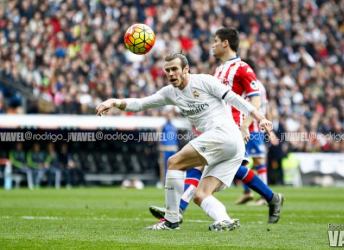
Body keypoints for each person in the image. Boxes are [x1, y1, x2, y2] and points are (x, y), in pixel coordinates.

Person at [96, 52, 273, 231]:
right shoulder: (170, 93)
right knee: (201, 194)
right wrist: (115, 101)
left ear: (186, 69)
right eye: (167, 70)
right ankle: (225, 220)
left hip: (224, 134)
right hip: (228, 144)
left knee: (174, 162)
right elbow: (141, 104)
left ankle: (171, 220)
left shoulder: (204, 81)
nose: (171, 74)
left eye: (174, 69)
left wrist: (260, 118)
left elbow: (235, 99)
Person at [149, 28, 284, 223]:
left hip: (233, 128)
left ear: (225, 43)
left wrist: (245, 125)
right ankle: (272, 197)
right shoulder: (218, 70)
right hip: (216, 127)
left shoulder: (243, 68)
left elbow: (256, 101)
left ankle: (177, 210)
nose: (211, 44)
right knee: (226, 167)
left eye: (215, 41)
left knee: (198, 164)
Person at [158, 110, 179, 186]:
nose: (170, 117)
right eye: (169, 115)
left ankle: (173, 181)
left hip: (173, 148)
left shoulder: (174, 127)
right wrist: (160, 146)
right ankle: (163, 181)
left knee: (174, 165)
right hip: (165, 148)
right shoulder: (163, 126)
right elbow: (159, 137)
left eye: (171, 115)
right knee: (165, 165)